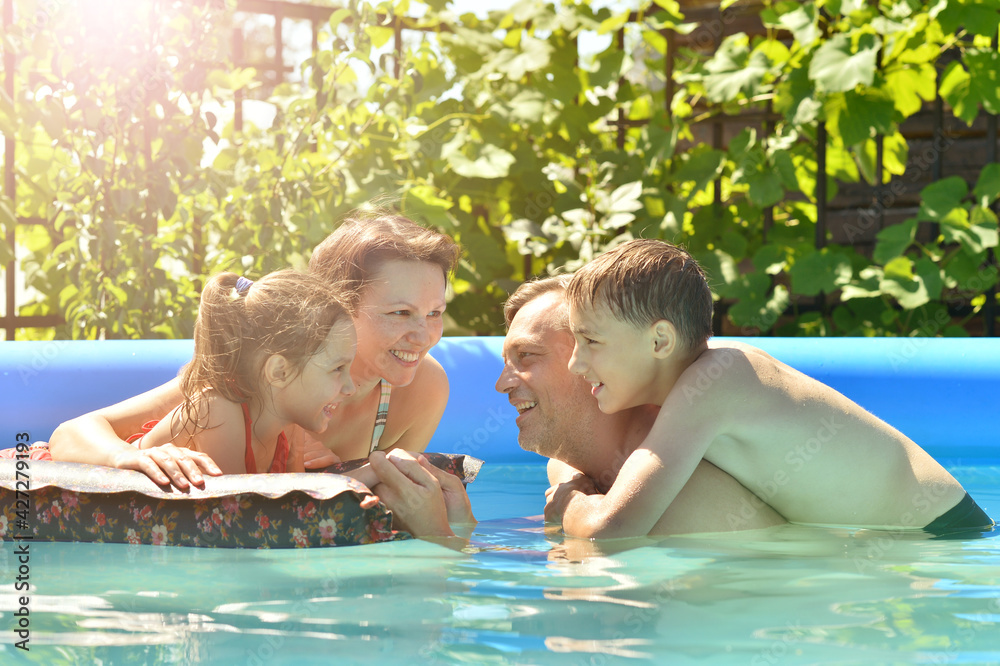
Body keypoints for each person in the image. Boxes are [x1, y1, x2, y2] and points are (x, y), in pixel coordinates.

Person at [548, 238, 993, 539]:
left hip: (948, 537)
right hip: (928, 534)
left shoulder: (712, 384)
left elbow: (614, 531)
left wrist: (568, 499)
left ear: (660, 341)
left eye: (590, 341)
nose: (575, 362)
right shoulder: (714, 379)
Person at [48, 210, 460, 490]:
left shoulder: (423, 388)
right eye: (400, 312)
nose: (423, 335)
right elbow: (73, 433)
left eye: (435, 312)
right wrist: (123, 458)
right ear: (336, 305)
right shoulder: (245, 374)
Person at [495, 275, 786, 536]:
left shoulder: (686, 499)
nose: (502, 383)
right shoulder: (586, 473)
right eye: (506, 361)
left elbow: (597, 564)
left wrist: (570, 504)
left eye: (526, 355)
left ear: (592, 357)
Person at [121, 269, 356, 474]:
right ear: (280, 372)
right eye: (338, 369)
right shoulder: (219, 411)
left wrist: (374, 473)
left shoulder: (286, 423)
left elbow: (299, 502)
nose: (350, 388)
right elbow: (239, 518)